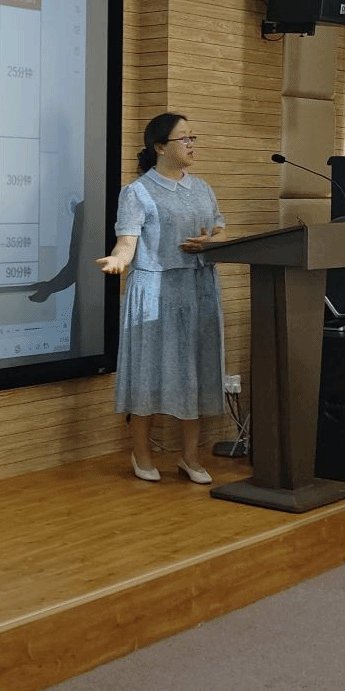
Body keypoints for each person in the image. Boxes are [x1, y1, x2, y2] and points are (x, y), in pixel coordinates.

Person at [96, 113, 226, 484]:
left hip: (199, 287)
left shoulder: (202, 188)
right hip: (154, 291)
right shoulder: (137, 191)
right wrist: (119, 260)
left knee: (195, 370)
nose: (191, 145)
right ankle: (141, 453)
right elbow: (127, 241)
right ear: (160, 147)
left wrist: (210, 241)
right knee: (148, 371)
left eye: (193, 138)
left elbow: (219, 229)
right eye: (184, 139)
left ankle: (190, 457)